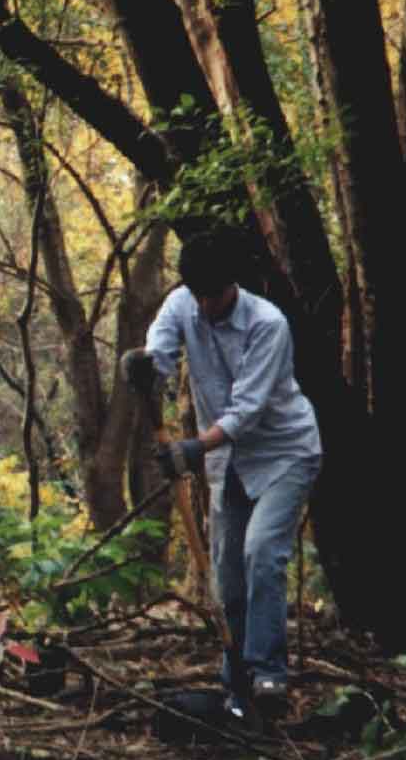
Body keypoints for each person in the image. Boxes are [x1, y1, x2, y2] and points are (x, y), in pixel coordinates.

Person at [121, 229, 322, 726]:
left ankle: (269, 670)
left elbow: (246, 412)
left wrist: (190, 449)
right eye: (199, 294)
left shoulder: (268, 324)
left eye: (216, 294)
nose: (207, 305)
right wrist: (143, 367)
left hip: (284, 453)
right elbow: (159, 359)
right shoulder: (181, 305)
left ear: (233, 285)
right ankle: (235, 680)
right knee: (227, 574)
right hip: (228, 464)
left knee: (261, 553)